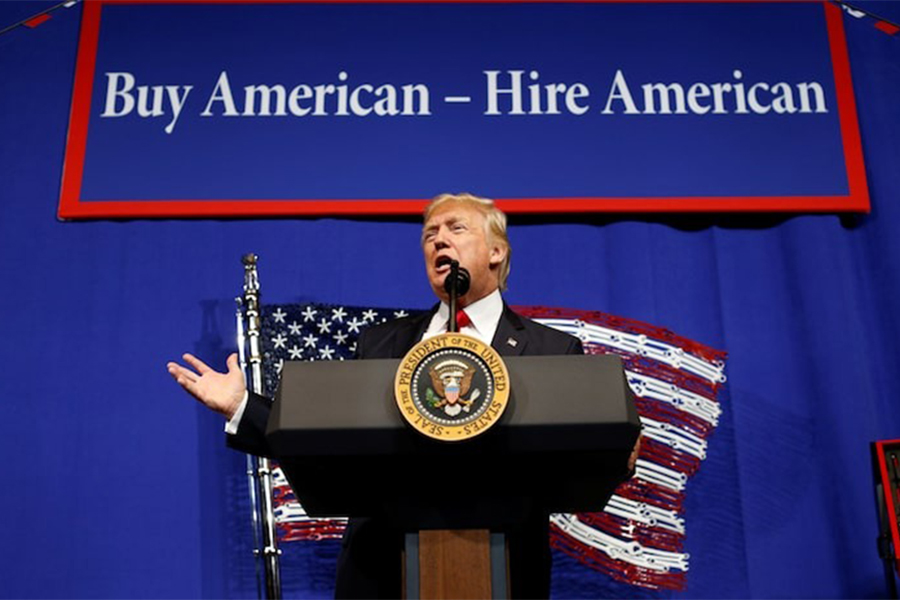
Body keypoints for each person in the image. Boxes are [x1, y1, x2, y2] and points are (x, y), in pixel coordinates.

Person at [168, 192, 639, 598]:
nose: (438, 239)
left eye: (456, 228)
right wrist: (242, 407)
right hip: (381, 570)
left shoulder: (551, 349)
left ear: (496, 251)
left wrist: (617, 448)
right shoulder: (381, 345)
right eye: (430, 233)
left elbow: (579, 455)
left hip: (504, 567)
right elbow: (325, 445)